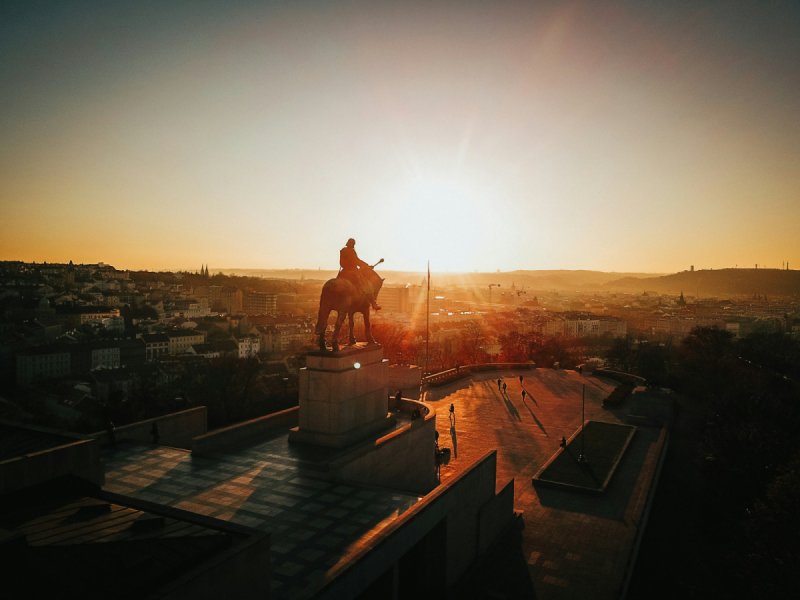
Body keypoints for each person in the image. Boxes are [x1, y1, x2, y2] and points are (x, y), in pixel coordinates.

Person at [339, 238, 381, 310]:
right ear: (353, 244)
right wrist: (366, 266)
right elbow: (357, 261)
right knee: (366, 284)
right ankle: (373, 303)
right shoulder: (351, 251)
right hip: (352, 271)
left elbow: (342, 262)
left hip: (343, 272)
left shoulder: (343, 250)